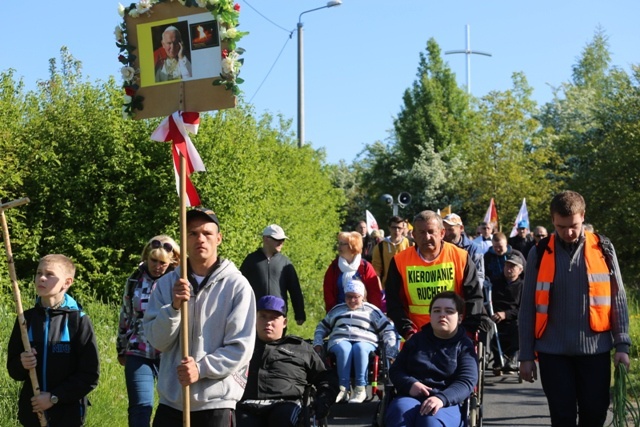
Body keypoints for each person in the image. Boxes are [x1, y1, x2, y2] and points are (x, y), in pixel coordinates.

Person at [519, 191, 631, 426]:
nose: (569, 233)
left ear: (583, 216)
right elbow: (527, 306)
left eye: (574, 226)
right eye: (561, 227)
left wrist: (622, 344)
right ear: (552, 220)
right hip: (552, 353)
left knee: (595, 414)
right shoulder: (538, 253)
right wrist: (526, 355)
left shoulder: (604, 249)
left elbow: (618, 298)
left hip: (595, 351)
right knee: (562, 418)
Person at [144, 207, 256, 427]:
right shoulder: (167, 285)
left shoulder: (237, 286)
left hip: (216, 403)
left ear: (219, 238)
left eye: (207, 233)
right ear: (184, 240)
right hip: (172, 402)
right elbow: (157, 341)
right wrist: (174, 308)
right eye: (193, 233)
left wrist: (201, 368)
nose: (200, 239)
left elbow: (241, 348)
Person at [7, 254, 100, 427]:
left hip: (68, 415)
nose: (41, 278)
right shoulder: (25, 319)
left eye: (50, 274)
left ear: (67, 282)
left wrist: (54, 397)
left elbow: (89, 375)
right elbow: (13, 371)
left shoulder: (78, 321)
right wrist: (22, 363)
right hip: (32, 414)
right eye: (39, 273)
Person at [237, 295, 338, 427]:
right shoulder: (241, 346)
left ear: (284, 322)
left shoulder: (300, 348)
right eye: (263, 316)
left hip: (285, 404)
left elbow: (326, 377)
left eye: (274, 317)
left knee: (284, 419)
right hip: (246, 404)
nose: (268, 322)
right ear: (255, 318)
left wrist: (324, 398)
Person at [385, 210, 485, 340]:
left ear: (442, 233)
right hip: (416, 336)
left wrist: (467, 332)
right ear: (413, 235)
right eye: (421, 232)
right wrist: (407, 330)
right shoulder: (399, 261)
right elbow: (394, 302)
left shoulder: (461, 257)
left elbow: (474, 298)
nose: (427, 237)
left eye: (431, 232)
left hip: (455, 335)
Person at [385, 291, 478, 427]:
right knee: (399, 413)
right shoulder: (416, 340)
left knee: (430, 420)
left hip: (446, 401)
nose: (442, 315)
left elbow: (467, 381)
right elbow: (396, 370)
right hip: (411, 396)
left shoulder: (464, 345)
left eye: (449, 311)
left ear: (459, 318)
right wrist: (410, 384)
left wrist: (442, 398)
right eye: (436, 310)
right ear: (430, 315)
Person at [117, 235, 180, 427]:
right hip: (138, 350)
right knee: (140, 407)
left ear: (172, 261)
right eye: (153, 260)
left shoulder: (178, 283)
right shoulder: (135, 280)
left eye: (162, 262)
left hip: (169, 354)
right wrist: (121, 346)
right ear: (146, 257)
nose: (157, 266)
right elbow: (126, 314)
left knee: (172, 408)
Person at [313, 280, 398, 404]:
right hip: (340, 339)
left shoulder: (372, 311)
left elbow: (387, 329)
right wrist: (318, 343)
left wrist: (390, 350)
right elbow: (321, 327)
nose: (352, 300)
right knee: (344, 348)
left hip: (365, 340)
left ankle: (360, 388)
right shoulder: (337, 310)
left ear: (362, 296)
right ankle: (343, 389)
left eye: (356, 297)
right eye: (349, 296)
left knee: (359, 348)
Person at [240, 224, 305, 325]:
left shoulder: (285, 263)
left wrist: (300, 313)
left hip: (278, 315)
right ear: (266, 239)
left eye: (282, 240)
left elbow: (295, 289)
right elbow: (240, 287)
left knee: (278, 341)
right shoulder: (251, 260)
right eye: (277, 239)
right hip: (255, 315)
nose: (281, 242)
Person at [323, 231, 384, 312]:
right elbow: (328, 292)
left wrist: (373, 313)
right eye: (339, 243)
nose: (339, 247)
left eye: (342, 244)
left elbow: (374, 293)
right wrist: (334, 311)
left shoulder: (365, 267)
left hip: (363, 313)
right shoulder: (334, 266)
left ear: (352, 246)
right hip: (338, 314)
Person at [488, 252, 524, 375]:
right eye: (507, 266)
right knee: (487, 326)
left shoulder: (523, 286)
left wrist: (506, 314)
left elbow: (524, 309)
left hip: (513, 318)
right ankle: (497, 360)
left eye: (512, 267)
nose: (508, 269)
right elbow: (487, 302)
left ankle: (513, 358)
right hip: (494, 317)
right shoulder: (494, 283)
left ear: (520, 270)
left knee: (519, 326)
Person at [442, 213, 485, 287]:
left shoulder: (473, 248)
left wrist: (472, 295)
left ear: (461, 228)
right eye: (445, 230)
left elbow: (479, 275)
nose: (447, 233)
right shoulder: (440, 246)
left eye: (450, 229)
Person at [372, 216, 413, 288]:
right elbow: (376, 271)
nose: (397, 230)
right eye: (394, 227)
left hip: (407, 286)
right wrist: (380, 288)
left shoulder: (410, 244)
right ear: (389, 228)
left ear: (403, 229)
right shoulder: (380, 246)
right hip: (387, 286)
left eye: (399, 228)